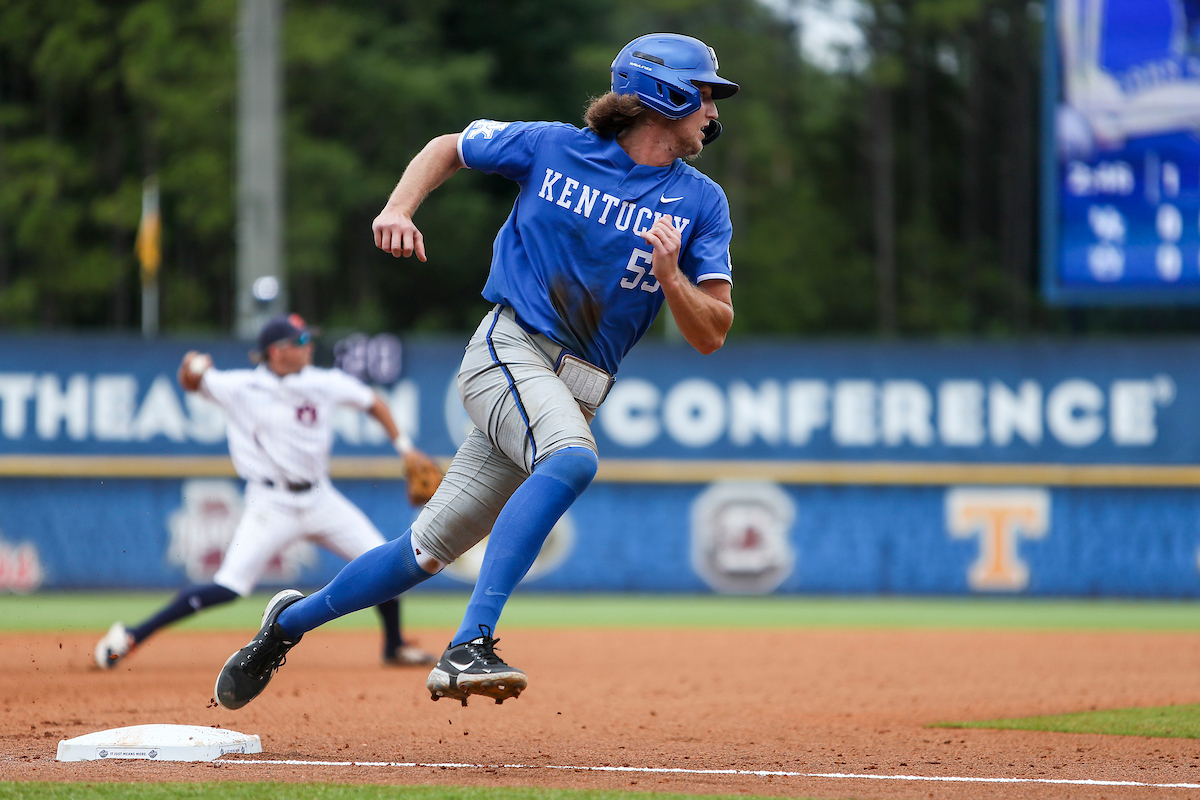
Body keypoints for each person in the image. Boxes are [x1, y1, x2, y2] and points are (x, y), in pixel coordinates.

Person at [213, 32, 737, 710]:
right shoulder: (553, 147)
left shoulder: (701, 202)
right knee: (573, 460)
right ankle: (470, 643)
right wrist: (398, 207)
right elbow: (449, 147)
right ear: (660, 94)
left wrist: (671, 279)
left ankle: (284, 625)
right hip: (508, 351)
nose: (712, 112)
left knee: (422, 553)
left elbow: (711, 333)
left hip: (572, 391)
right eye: (701, 95)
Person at [94, 313, 435, 671]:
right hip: (271, 504)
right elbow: (192, 382)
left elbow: (373, 402)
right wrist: (192, 370)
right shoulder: (240, 386)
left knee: (383, 562)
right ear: (277, 351)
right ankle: (133, 634)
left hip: (321, 498)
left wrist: (405, 447)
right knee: (229, 586)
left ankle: (394, 646)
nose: (309, 346)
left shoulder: (323, 382)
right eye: (301, 341)